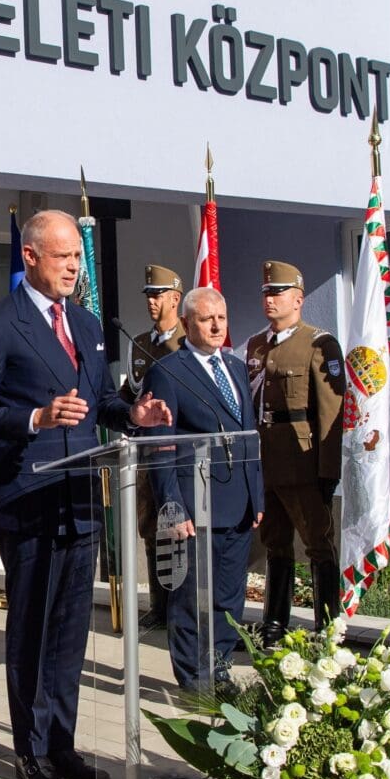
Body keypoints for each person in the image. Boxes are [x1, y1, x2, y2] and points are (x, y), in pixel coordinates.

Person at [0, 209, 170, 779]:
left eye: (79, 256)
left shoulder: (84, 323)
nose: (76, 266)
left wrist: (132, 414)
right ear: (30, 257)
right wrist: (34, 417)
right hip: (31, 494)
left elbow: (100, 400)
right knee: (33, 626)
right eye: (64, 256)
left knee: (72, 627)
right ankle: (29, 750)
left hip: (81, 495)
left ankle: (61, 741)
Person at [143, 287, 263, 690]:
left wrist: (257, 494)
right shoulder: (169, 371)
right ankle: (194, 675)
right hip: (197, 503)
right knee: (193, 595)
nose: (216, 326)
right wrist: (172, 507)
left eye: (222, 319)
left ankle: (221, 664)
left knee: (229, 594)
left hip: (238, 501)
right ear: (187, 323)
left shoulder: (236, 367)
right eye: (206, 319)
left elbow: (248, 436)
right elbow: (161, 448)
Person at [243, 260, 344, 644]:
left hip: (303, 459)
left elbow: (329, 411)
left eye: (278, 292)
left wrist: (327, 471)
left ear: (298, 299)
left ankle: (327, 626)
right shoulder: (256, 344)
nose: (269, 298)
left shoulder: (318, 343)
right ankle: (274, 622)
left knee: (318, 542)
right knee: (275, 541)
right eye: (266, 292)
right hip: (267, 457)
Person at [120, 263, 185, 632]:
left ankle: (180, 608)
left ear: (176, 298)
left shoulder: (188, 340)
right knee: (149, 526)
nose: (151, 301)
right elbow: (133, 390)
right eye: (148, 295)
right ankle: (159, 607)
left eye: (158, 295)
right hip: (147, 448)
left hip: (180, 449)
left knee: (177, 525)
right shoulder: (141, 343)